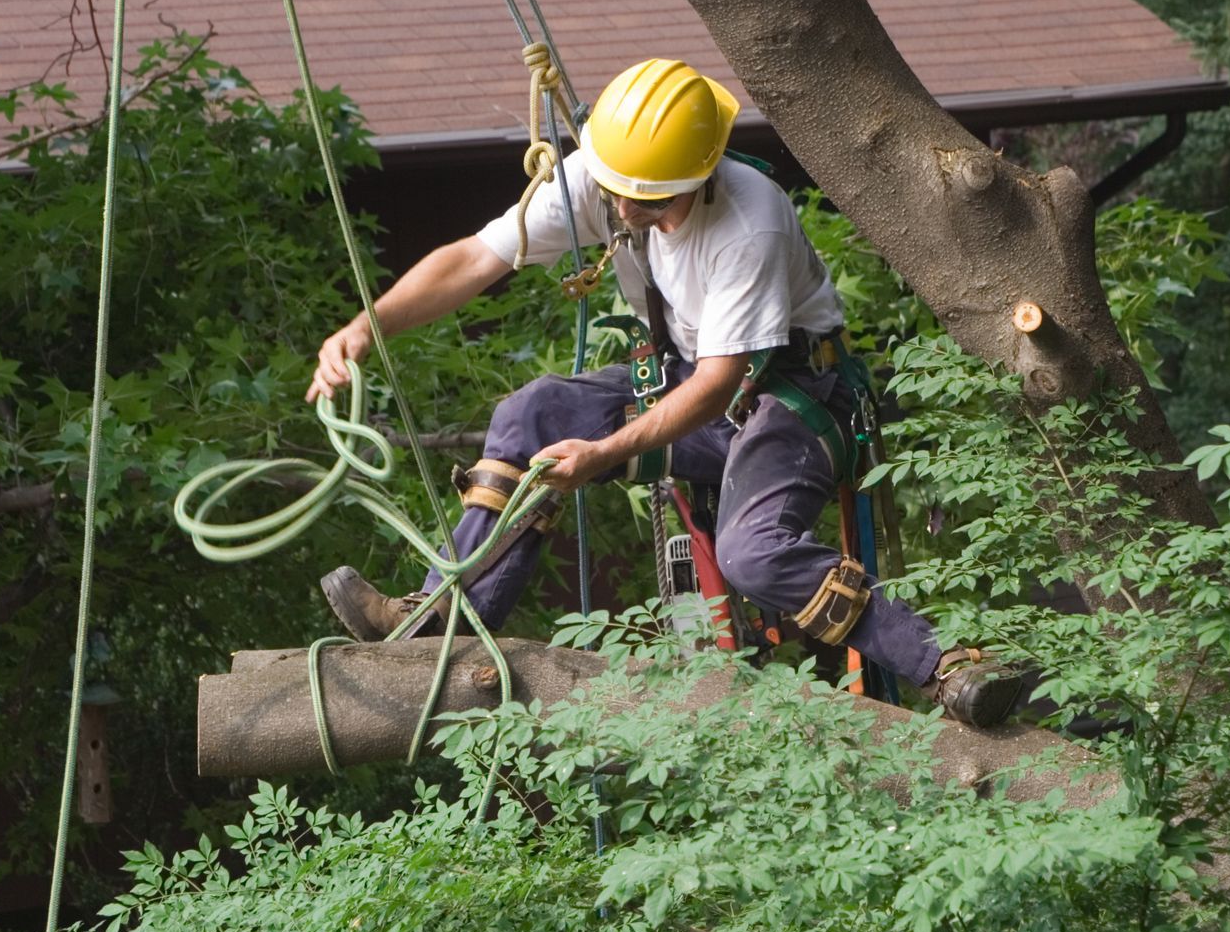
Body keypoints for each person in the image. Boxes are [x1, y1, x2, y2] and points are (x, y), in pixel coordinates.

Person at [307, 59, 1022, 727]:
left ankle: (945, 665)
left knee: (752, 551)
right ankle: (443, 623)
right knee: (532, 413)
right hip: (694, 379)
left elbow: (718, 387)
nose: (616, 205)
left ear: (692, 179)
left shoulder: (750, 224)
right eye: (613, 188)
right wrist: (368, 327)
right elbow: (473, 257)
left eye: (638, 197)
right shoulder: (613, 172)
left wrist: (603, 453)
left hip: (794, 394)